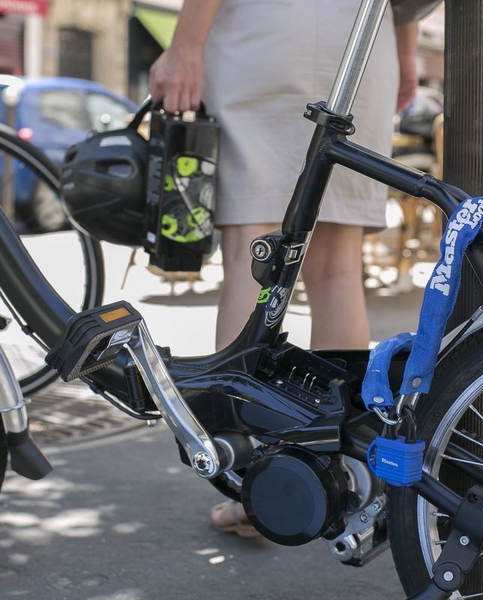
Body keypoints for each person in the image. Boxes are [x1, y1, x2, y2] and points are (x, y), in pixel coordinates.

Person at [149, 0, 440, 537]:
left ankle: (255, 486)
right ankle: (336, 479)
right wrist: (404, 53)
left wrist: (185, 45)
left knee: (253, 253)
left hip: (266, 32)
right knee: (336, 266)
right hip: (361, 41)